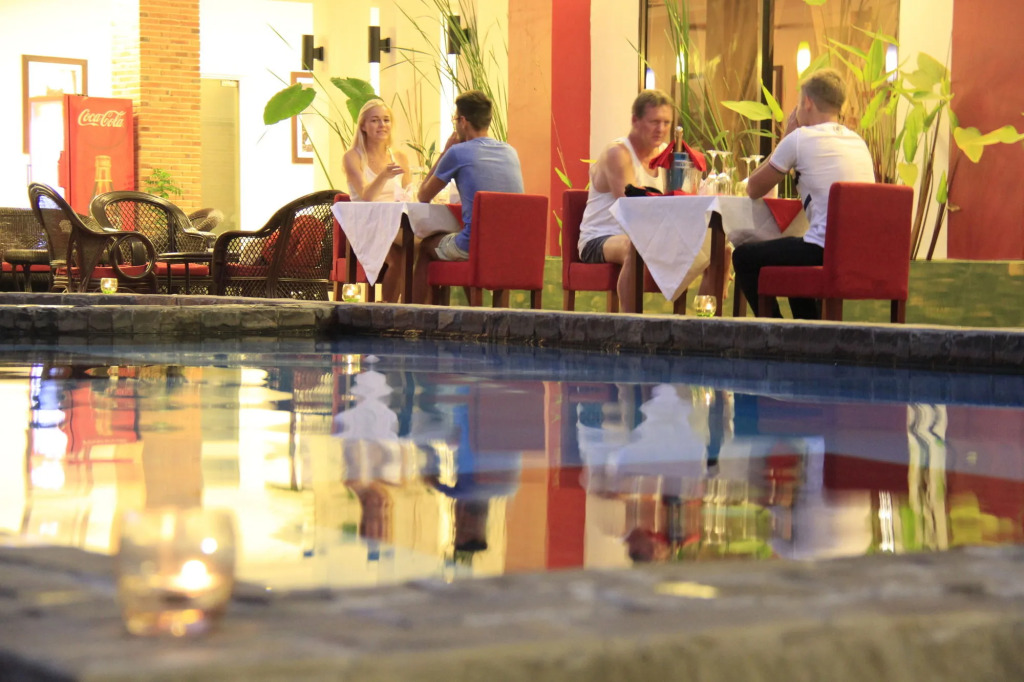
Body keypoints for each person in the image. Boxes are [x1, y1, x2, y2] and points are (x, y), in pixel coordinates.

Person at [732, 68, 875, 319]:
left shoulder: (799, 138)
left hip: (823, 250)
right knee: (795, 252)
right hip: (859, 253)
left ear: (807, 102)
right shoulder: (858, 142)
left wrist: (786, 137)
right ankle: (809, 331)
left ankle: (774, 330)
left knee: (743, 257)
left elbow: (753, 188)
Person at [412, 90, 524, 304]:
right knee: (462, 236)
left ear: (463, 121)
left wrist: (445, 151)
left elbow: (423, 195)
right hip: (510, 246)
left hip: (473, 246)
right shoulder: (511, 151)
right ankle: (491, 315)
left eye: (455, 120)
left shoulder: (458, 152)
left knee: (426, 247)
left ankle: (412, 314)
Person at [342, 99, 413, 301]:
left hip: (397, 221)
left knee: (422, 251)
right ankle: (386, 309)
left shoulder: (399, 156)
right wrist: (383, 175)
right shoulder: (352, 157)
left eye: (386, 120)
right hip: (368, 223)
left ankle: (413, 309)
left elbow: (409, 192)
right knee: (401, 258)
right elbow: (367, 196)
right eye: (375, 120)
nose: (382, 125)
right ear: (363, 126)